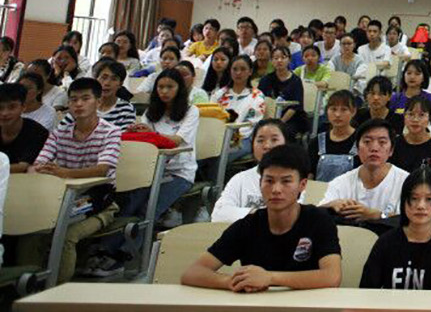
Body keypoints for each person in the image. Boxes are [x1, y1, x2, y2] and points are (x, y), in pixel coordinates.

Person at [181, 145, 341, 292]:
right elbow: (193, 273)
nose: (276, 189)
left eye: (286, 181)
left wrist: (270, 277)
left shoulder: (319, 220)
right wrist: (231, 281)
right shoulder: (247, 225)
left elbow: (332, 277)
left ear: (302, 184)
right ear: (260, 182)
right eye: (269, 181)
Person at [22, 78, 121, 283]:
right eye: (73, 99)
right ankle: (29, 286)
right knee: (33, 230)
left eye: (85, 98)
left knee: (66, 235)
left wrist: (64, 173)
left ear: (98, 101)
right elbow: (39, 163)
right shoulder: (60, 132)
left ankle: (58, 290)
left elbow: (103, 169)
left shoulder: (111, 132)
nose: (78, 104)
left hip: (100, 202)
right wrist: (37, 171)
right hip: (62, 199)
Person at [360, 166, 431, 290]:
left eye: (429, 199)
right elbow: (367, 290)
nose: (421, 206)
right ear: (404, 201)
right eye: (414, 198)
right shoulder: (386, 242)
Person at [125, 68, 200, 229]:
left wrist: (151, 134)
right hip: (151, 172)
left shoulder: (191, 111)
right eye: (160, 87)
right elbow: (145, 142)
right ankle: (114, 245)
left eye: (170, 87)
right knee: (128, 208)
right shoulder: (150, 112)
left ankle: (136, 244)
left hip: (179, 173)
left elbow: (177, 141)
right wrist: (136, 132)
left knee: (148, 211)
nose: (164, 91)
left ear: (179, 88)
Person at [320, 119, 409, 223]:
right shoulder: (341, 183)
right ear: (357, 149)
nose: (374, 148)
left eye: (382, 142)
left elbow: (413, 221)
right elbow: (317, 214)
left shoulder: (406, 182)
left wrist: (379, 215)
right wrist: (331, 206)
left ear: (391, 150)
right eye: (367, 142)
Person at [214, 119, 299, 222]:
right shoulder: (240, 179)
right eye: (260, 140)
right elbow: (218, 214)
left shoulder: (297, 180)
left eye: (274, 140)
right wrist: (257, 214)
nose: (267, 146)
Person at [311, 91, 359, 182]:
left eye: (344, 109)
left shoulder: (361, 141)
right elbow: (309, 175)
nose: (337, 114)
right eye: (333, 109)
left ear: (353, 111)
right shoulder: (316, 142)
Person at [0, 82, 48, 172]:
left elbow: (23, 167)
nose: (5, 113)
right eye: (0, 108)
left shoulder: (38, 132)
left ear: (23, 107)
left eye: (12, 107)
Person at [391, 97, 431, 173]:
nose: (415, 119)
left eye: (421, 115)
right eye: (411, 114)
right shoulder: (395, 142)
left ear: (429, 118)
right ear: (404, 117)